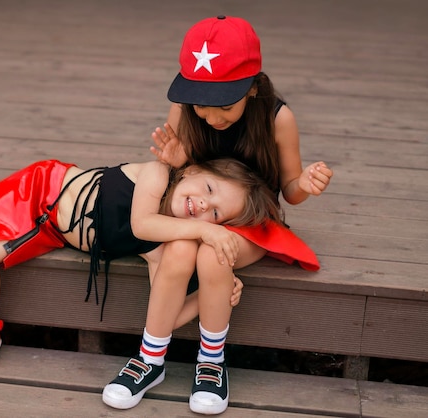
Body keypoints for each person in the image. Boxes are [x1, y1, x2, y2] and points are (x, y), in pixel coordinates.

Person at [102, 15, 332, 415]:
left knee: (213, 253)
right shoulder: (186, 109)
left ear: (254, 87)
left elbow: (290, 191)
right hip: (201, 209)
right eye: (201, 105)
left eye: (224, 105)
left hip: (249, 218)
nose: (211, 117)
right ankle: (150, 359)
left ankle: (211, 361)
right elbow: (183, 171)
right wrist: (180, 159)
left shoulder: (278, 118)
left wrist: (306, 186)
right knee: (178, 250)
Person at [0, 157, 280, 369]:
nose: (202, 206)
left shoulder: (160, 247)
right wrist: (205, 232)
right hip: (44, 190)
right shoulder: (156, 175)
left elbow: (162, 315)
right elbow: (143, 222)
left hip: (51, 229)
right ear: (189, 170)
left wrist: (213, 295)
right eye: (207, 188)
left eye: (216, 214)